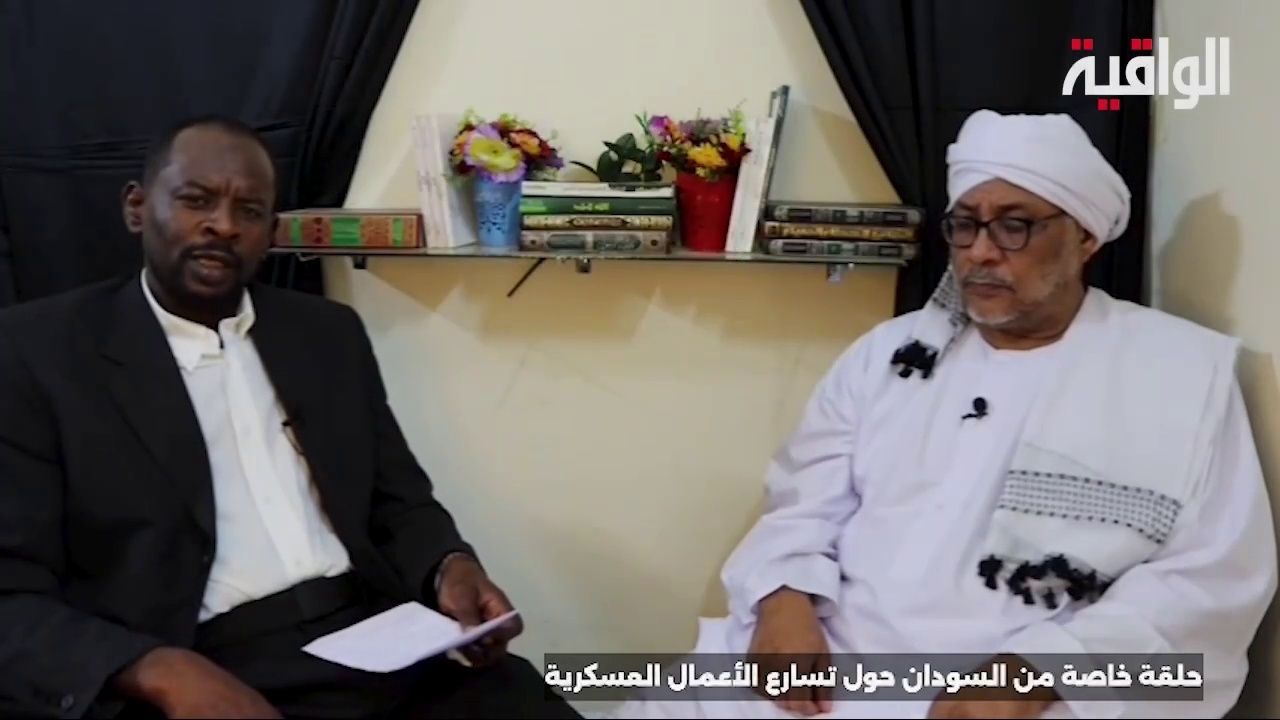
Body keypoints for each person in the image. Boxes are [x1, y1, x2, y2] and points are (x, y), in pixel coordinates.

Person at [597, 110, 1278, 720]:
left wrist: (1039, 671)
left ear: (1085, 237)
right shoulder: (891, 354)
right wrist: (782, 600)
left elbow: (1209, 577)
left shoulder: (1177, 373)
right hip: (837, 654)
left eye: (1015, 225)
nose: (981, 250)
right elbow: (802, 507)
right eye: (966, 224)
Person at [0, 115, 580, 719]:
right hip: (200, 660)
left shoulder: (326, 334)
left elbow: (398, 501)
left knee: (529, 699)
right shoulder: (39, 354)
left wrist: (447, 566)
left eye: (249, 211)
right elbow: (10, 593)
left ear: (271, 231)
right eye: (196, 200)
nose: (223, 225)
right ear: (137, 208)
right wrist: (156, 669)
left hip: (378, 637)